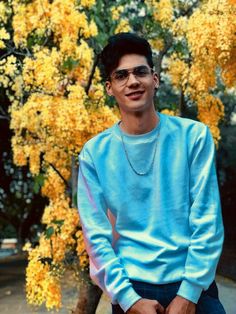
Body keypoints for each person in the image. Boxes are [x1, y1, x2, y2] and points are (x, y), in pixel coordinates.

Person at [77, 32, 225, 314]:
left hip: (193, 285)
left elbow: (207, 220)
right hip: (133, 289)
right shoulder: (94, 154)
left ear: (154, 80)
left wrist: (190, 293)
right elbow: (96, 237)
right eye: (121, 76)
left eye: (140, 72)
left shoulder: (193, 137)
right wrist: (129, 299)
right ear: (110, 88)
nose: (132, 81)